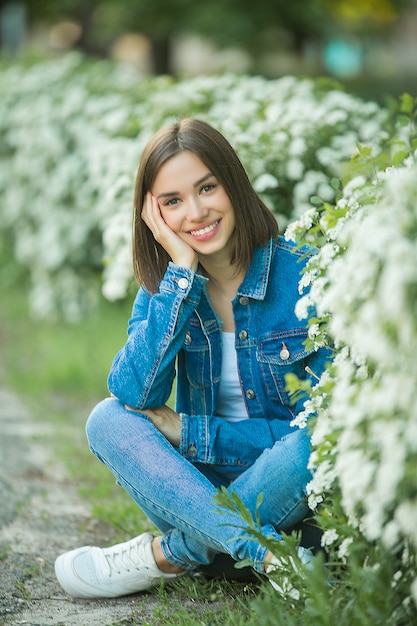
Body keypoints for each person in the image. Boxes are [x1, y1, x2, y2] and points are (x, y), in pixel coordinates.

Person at [54, 117, 330, 599]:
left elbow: (313, 439)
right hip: (191, 488)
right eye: (173, 201)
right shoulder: (167, 289)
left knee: (316, 440)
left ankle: (171, 555)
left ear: (233, 185)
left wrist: (191, 432)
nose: (197, 212)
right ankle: (264, 556)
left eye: (207, 188)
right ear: (154, 215)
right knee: (106, 419)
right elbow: (135, 394)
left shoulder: (305, 278)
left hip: (281, 492)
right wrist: (181, 274)